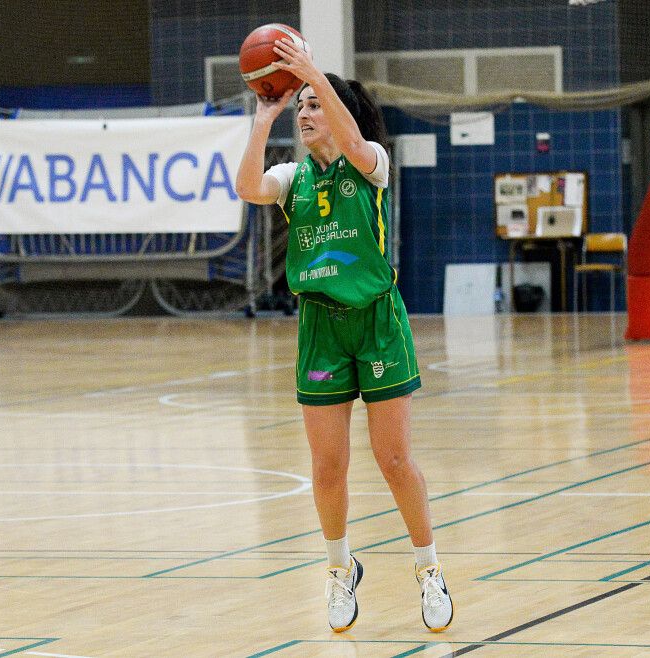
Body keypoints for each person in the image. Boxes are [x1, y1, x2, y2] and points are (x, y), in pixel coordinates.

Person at [234, 38, 453, 634]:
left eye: (313, 106)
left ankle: (428, 569)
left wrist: (312, 75)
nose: (304, 114)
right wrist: (263, 118)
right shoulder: (292, 178)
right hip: (320, 329)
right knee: (327, 468)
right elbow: (247, 187)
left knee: (395, 459)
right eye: (299, 106)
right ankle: (338, 569)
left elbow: (354, 141)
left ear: (338, 112)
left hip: (378, 323)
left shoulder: (371, 161)